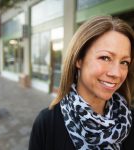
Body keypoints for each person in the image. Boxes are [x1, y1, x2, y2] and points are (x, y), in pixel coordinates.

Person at [28, 16, 134, 150]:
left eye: (124, 62)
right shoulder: (47, 123)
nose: (117, 73)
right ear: (79, 59)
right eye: (105, 58)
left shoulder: (129, 119)